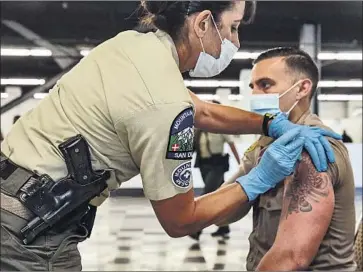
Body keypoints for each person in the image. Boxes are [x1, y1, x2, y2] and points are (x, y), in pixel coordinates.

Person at [0, 2, 341, 270]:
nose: (236, 42)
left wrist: (268, 124)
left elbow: (201, 110)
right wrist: (257, 178)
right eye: (233, 28)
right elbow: (181, 220)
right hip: (30, 233)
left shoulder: (131, 46)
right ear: (204, 23)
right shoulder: (164, 104)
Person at [218, 47, 357, 271]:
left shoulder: (313, 148)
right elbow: (222, 214)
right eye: (252, 87)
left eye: (266, 85)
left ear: (302, 88)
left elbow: (291, 257)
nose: (255, 95)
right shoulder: (265, 143)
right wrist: (257, 176)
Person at [190, 100, 240, 240]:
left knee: (206, 195)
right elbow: (193, 146)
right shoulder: (199, 129)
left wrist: (240, 163)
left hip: (217, 165)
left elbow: (231, 144)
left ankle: (196, 230)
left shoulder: (221, 127)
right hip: (203, 164)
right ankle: (224, 227)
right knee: (218, 196)